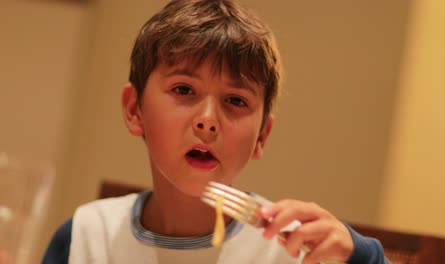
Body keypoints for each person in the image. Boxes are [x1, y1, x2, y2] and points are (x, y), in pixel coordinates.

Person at [43, 0, 389, 263]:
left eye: (235, 100)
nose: (208, 120)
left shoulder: (296, 250)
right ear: (135, 110)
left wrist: (360, 256)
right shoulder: (85, 237)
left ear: (262, 136)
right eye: (183, 90)